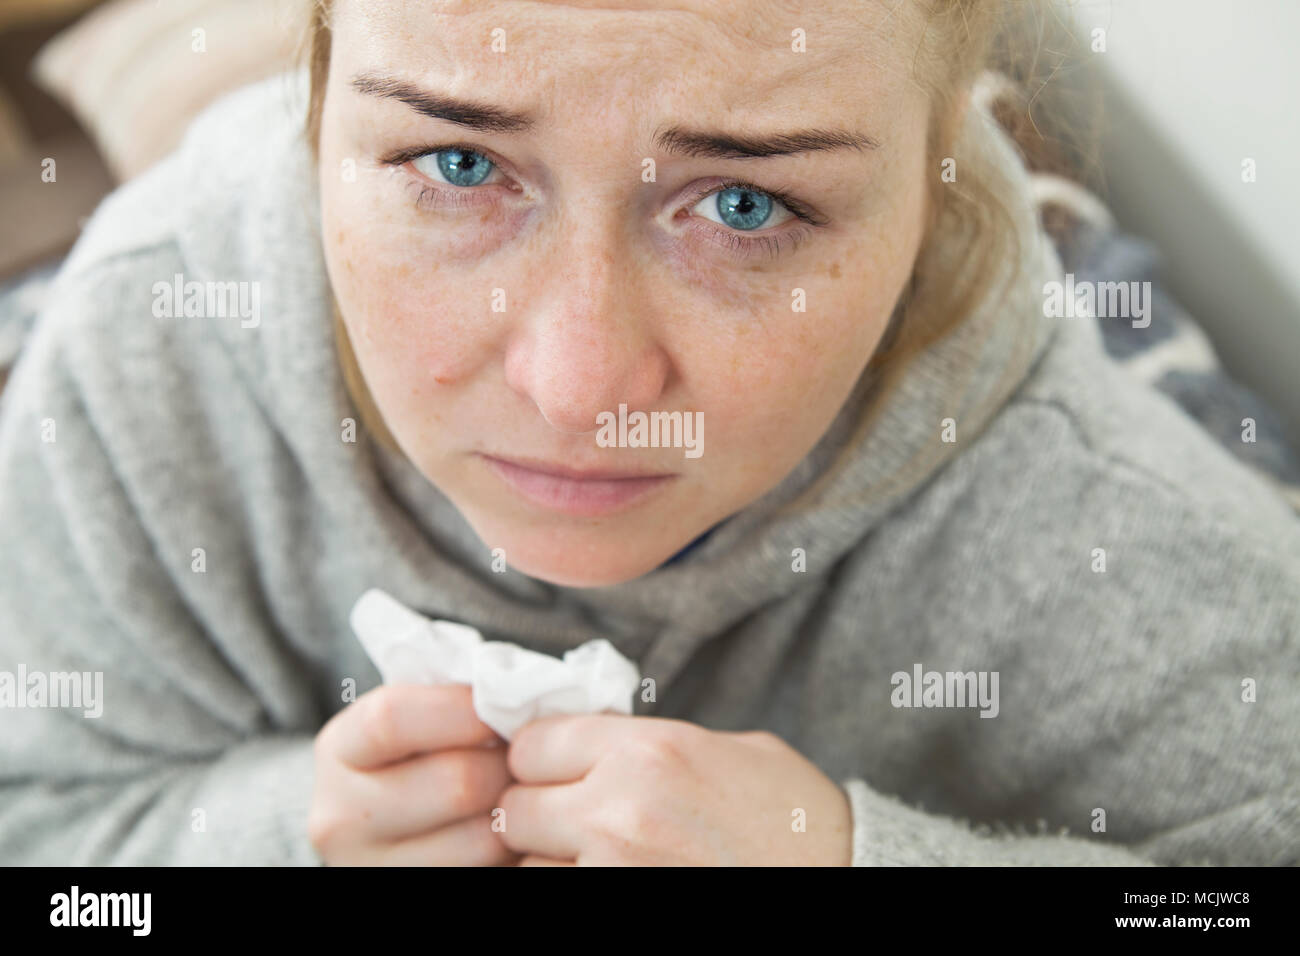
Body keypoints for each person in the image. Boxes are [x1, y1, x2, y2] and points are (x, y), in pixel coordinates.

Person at [0, 0, 1295, 866]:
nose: (578, 388)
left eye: (743, 204)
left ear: (927, 180)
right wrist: (286, 835)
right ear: (326, 101)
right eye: (458, 166)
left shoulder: (1142, 552)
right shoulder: (139, 354)